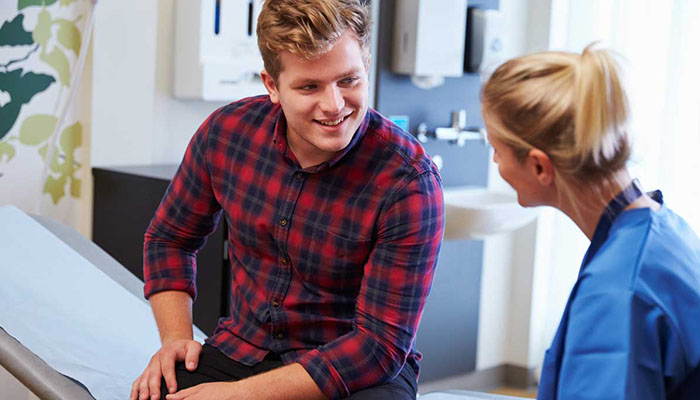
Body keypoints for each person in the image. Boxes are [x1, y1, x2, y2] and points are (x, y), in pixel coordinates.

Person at [129, 1, 444, 399]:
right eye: (309, 86)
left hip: (356, 371)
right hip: (244, 350)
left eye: (349, 80)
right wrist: (175, 339)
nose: (334, 105)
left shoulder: (408, 181)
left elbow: (379, 346)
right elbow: (169, 239)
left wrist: (238, 397)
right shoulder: (227, 135)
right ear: (272, 86)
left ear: (365, 65)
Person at [481, 44, 700, 399]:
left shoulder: (617, 294)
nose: (495, 163)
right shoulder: (664, 226)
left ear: (539, 166)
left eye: (497, 149)